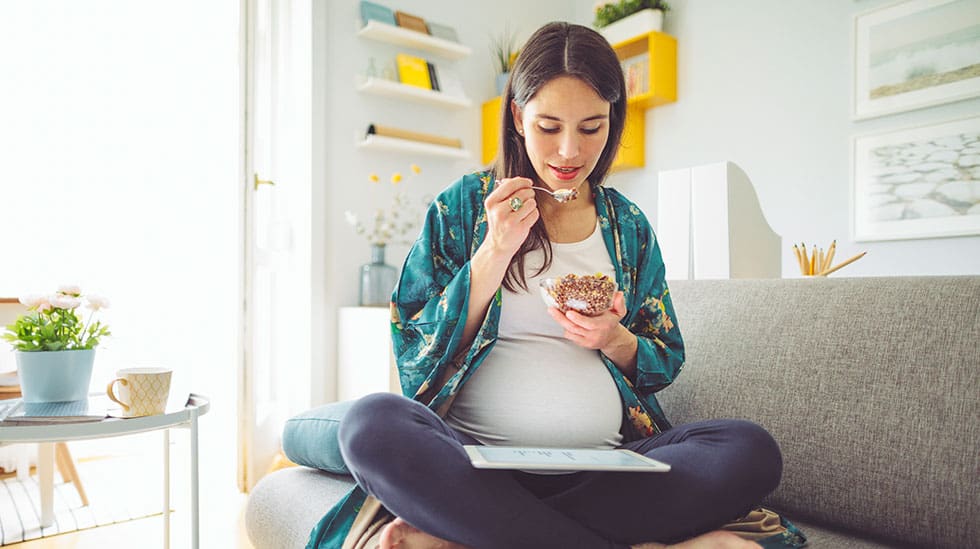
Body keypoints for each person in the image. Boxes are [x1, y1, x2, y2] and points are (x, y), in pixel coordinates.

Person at [318, 21, 795, 549]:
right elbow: (413, 355)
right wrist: (494, 251)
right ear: (519, 118)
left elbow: (665, 359)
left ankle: (477, 535)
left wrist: (611, 338)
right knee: (370, 424)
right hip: (473, 469)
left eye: (591, 128)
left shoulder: (628, 226)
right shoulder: (462, 207)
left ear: (612, 121)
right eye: (549, 126)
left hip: (610, 473)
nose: (569, 151)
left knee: (749, 449)